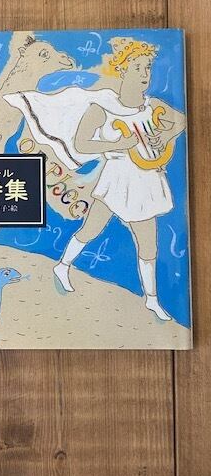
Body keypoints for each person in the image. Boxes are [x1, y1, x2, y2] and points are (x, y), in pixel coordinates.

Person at [53, 38, 185, 321]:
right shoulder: (103, 107)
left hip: (146, 181)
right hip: (116, 180)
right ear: (123, 70)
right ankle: (62, 266)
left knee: (148, 244)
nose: (145, 74)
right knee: (91, 229)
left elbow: (181, 121)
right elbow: (81, 143)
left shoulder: (152, 105)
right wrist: (116, 145)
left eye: (147, 68)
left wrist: (165, 136)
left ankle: (152, 299)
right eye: (138, 68)